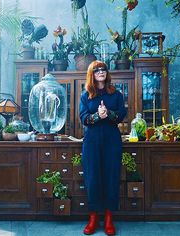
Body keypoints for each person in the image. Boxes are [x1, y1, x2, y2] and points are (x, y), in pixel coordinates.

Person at [79, 60, 127, 235]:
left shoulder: (116, 94)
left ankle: (108, 218)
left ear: (107, 73)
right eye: (97, 70)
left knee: (111, 177)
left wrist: (109, 114)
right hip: (91, 142)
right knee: (92, 179)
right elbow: (83, 117)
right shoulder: (86, 95)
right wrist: (98, 116)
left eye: (103, 69)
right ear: (92, 74)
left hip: (111, 141)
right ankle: (93, 218)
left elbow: (121, 114)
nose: (101, 72)